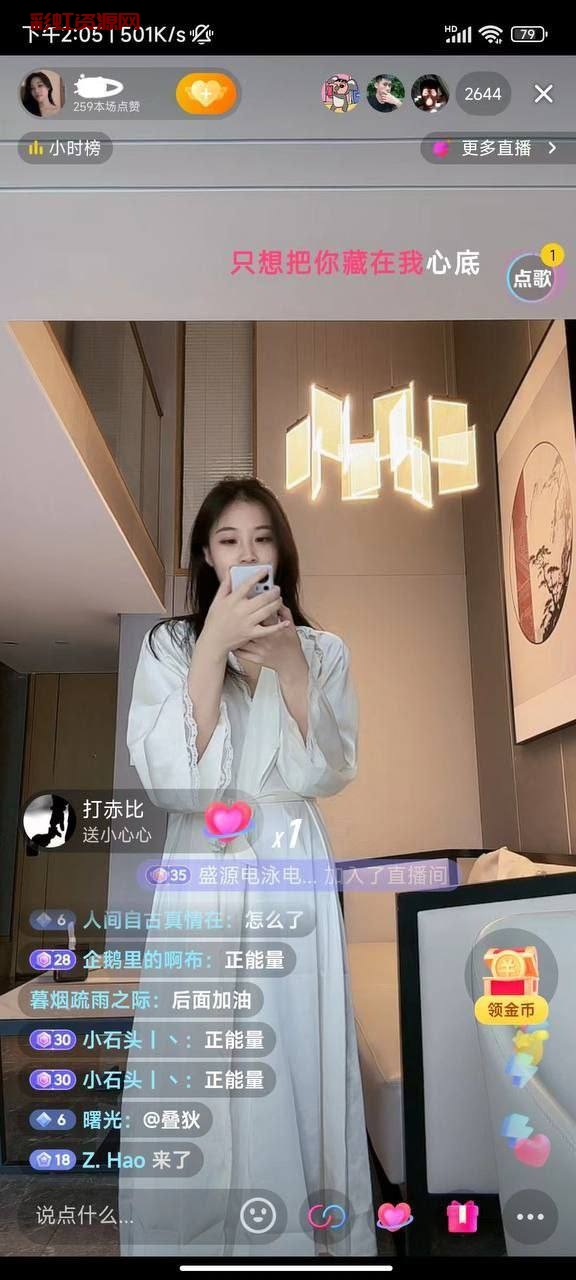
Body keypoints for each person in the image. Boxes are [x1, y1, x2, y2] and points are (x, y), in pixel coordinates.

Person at [118, 476, 377, 1258]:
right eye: (228, 540)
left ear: (281, 551)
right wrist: (210, 649)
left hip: (290, 863)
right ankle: (196, 1236)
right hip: (205, 862)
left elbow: (328, 772)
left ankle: (302, 1238)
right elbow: (175, 785)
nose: (246, 553)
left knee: (292, 1044)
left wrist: (293, 667)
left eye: (262, 538)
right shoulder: (171, 646)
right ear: (206, 554)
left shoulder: (324, 649)